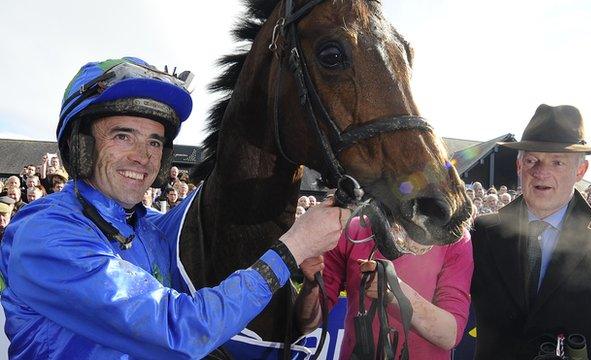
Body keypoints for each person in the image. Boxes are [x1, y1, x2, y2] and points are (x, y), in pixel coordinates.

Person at [0, 56, 350, 359]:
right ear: (81, 145)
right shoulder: (45, 236)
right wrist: (292, 248)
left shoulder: (152, 227)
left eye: (155, 141)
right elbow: (177, 330)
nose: (143, 156)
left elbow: (226, 198)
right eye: (123, 135)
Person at [471, 104, 591, 358]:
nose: (541, 172)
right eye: (531, 160)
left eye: (557, 162)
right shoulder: (481, 233)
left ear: (580, 171)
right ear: (519, 166)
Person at [295, 218, 473, 359]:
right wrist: (311, 285)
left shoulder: (452, 237)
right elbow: (308, 325)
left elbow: (450, 334)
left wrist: (394, 292)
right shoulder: (353, 230)